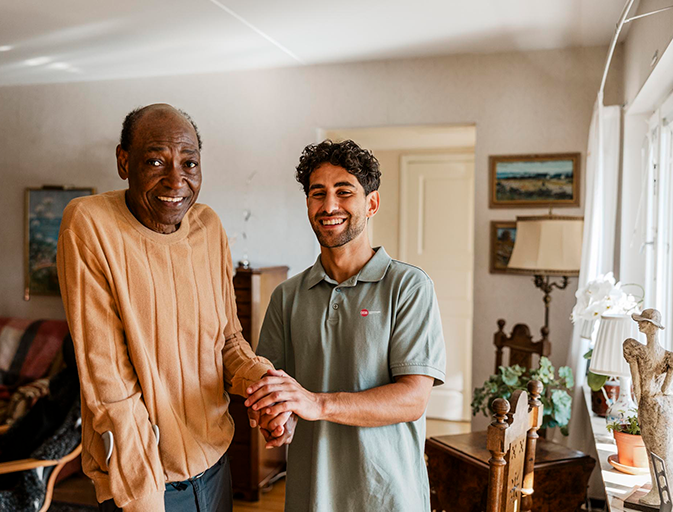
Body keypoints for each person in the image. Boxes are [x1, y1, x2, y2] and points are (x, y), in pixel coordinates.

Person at [57, 104, 274, 512]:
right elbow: (110, 388)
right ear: (124, 162)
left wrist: (265, 388)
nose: (177, 180)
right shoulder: (89, 224)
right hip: (147, 484)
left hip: (215, 468)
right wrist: (143, 496)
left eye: (189, 162)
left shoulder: (208, 227)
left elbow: (228, 341)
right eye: (155, 160)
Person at [246, 139, 446, 511]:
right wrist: (276, 418)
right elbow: (274, 389)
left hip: (387, 496)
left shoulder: (409, 286)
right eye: (317, 194)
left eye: (344, 192)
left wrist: (317, 404)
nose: (329, 206)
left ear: (371, 204)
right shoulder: (286, 296)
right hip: (310, 495)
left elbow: (414, 399)